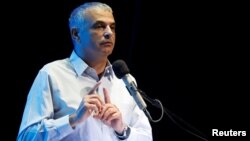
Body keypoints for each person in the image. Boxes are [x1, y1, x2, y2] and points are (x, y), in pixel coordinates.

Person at [17, 2, 152, 141]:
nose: (109, 33)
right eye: (99, 26)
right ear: (76, 34)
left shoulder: (124, 80)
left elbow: (146, 137)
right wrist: (73, 120)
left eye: (112, 27)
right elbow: (25, 137)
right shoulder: (51, 74)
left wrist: (122, 129)